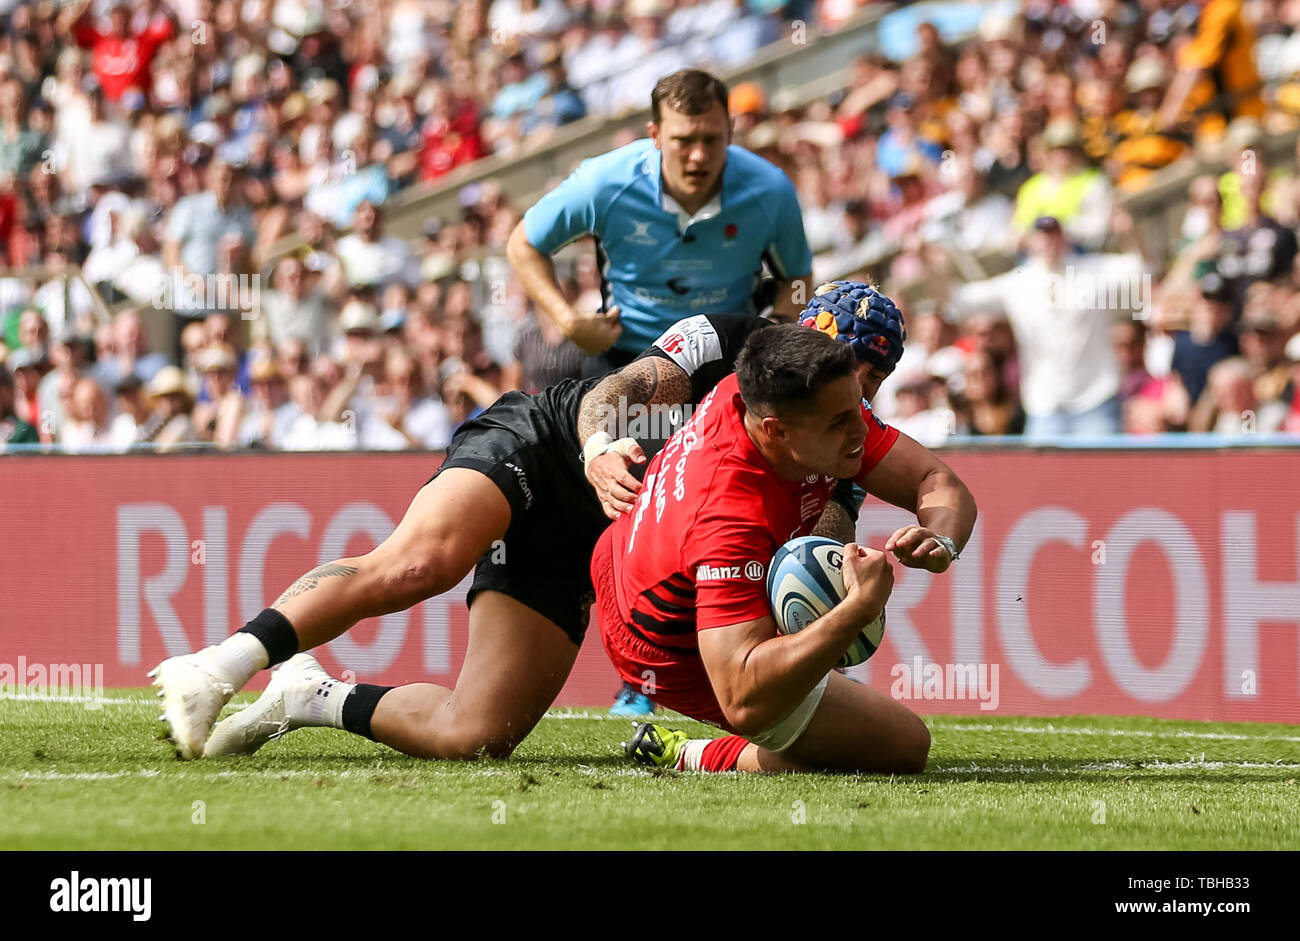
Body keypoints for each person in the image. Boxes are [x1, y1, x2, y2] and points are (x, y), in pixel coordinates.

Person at [148, 283, 905, 761]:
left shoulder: (839, 446)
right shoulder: (732, 341)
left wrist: (827, 606)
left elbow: (805, 560)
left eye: (875, 378)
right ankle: (218, 666)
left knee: (474, 734)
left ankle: (311, 697)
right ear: (806, 333)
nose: (857, 391)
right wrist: (602, 444)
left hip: (603, 552)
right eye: (848, 363)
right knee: (421, 561)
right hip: (550, 452)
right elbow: (616, 389)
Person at [600, 292, 976, 775]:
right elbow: (742, 698)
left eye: (868, 391)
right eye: (843, 421)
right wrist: (859, 607)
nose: (861, 434)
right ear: (777, 432)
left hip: (642, 556)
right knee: (900, 746)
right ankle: (684, 752)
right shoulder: (729, 512)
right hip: (658, 639)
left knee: (813, 646)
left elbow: (938, 482)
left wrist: (941, 540)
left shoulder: (783, 396)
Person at [506, 68, 813, 379]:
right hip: (627, 359)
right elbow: (523, 244)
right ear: (655, 135)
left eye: (711, 139)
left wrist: (781, 322)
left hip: (730, 359)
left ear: (730, 131)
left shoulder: (771, 190)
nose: (698, 155)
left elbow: (798, 276)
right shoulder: (604, 183)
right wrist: (566, 319)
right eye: (684, 140)